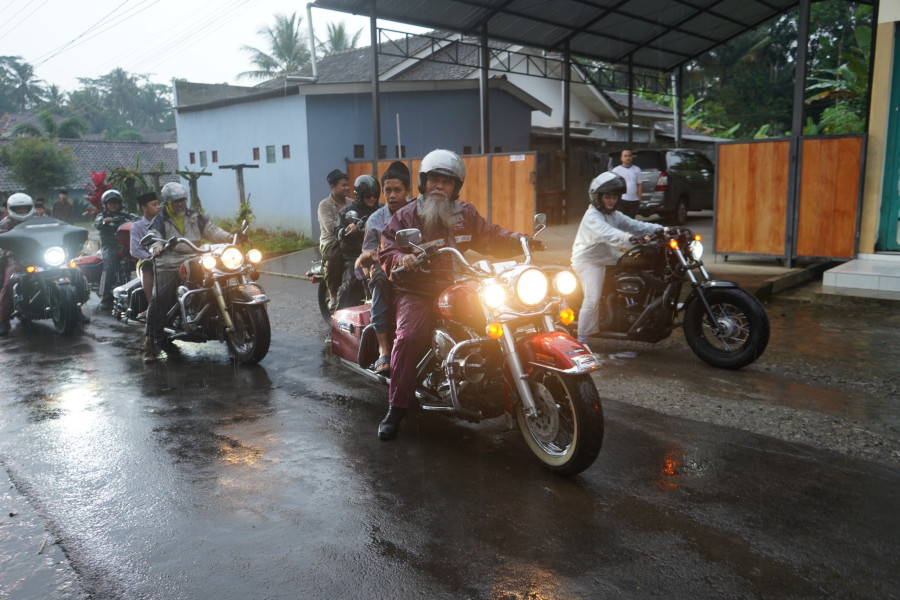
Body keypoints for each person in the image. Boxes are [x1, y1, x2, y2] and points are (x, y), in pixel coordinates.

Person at [376, 149, 544, 441]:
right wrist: (402, 260)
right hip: (417, 289)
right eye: (434, 180)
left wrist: (521, 240)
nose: (440, 186)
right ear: (423, 182)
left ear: (456, 187)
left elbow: (491, 235)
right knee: (409, 335)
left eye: (447, 182)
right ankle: (397, 406)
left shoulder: (466, 214)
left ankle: (498, 389)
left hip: (458, 283)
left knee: (498, 319)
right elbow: (387, 247)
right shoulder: (407, 215)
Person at [142, 182, 233, 363]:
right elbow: (153, 236)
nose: (181, 204)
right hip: (169, 259)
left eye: (183, 200)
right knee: (160, 298)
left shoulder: (194, 216)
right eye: (176, 201)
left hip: (194, 256)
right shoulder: (160, 219)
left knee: (221, 275)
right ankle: (150, 341)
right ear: (168, 202)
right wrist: (157, 246)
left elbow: (213, 231)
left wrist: (231, 237)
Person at [570, 172, 663, 344]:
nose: (612, 200)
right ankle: (582, 340)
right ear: (598, 197)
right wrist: (631, 238)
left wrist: (663, 229)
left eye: (614, 196)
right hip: (590, 262)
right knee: (592, 299)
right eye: (608, 196)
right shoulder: (592, 217)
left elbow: (636, 225)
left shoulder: (614, 215)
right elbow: (609, 234)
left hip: (610, 257)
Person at [354, 161, 411, 373]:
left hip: (415, 268)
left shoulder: (417, 213)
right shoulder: (375, 220)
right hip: (383, 269)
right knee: (379, 280)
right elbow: (365, 254)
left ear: (407, 191)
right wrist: (369, 257)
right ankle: (384, 350)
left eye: (397, 190)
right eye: (388, 191)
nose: (393, 195)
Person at [334, 174, 383, 310]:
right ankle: (339, 317)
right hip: (354, 254)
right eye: (368, 196)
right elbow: (337, 231)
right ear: (359, 195)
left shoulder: (381, 209)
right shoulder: (348, 211)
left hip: (376, 252)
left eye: (375, 195)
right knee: (350, 284)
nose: (372, 198)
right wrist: (347, 229)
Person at [0, 193, 37, 336]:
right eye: (18, 209)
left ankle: (74, 310)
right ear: (11, 209)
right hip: (16, 257)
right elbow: (2, 236)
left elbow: (51, 227)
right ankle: (2, 318)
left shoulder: (36, 220)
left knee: (64, 272)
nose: (22, 211)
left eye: (24, 208)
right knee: (10, 281)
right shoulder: (6, 223)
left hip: (38, 256)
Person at [94, 189, 138, 310]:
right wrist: (104, 221)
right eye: (110, 203)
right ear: (106, 205)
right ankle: (104, 295)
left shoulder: (126, 215)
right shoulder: (102, 216)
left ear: (120, 203)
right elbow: (97, 224)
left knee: (143, 262)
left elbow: (138, 219)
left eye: (115, 202)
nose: (113, 205)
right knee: (109, 267)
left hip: (126, 245)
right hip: (110, 246)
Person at [317, 169, 351, 309]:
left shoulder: (352, 203)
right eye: (343, 185)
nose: (347, 188)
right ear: (332, 186)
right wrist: (347, 228)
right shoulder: (324, 205)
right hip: (332, 241)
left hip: (351, 239)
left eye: (348, 185)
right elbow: (330, 227)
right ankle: (332, 295)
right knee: (334, 257)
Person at [129, 191, 162, 315]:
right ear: (144, 208)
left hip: (166, 258)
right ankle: (151, 306)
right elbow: (135, 249)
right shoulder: (137, 226)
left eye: (158, 204)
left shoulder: (164, 222)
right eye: (154, 204)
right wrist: (151, 256)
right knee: (147, 266)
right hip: (147, 260)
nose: (158, 207)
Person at [612, 149, 642, 218]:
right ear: (621, 158)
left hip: (634, 201)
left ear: (632, 157)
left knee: (631, 221)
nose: (627, 158)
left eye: (629, 156)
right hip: (621, 200)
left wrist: (639, 199)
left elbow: (639, 185)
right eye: (625, 156)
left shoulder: (637, 169)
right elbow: (613, 186)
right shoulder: (616, 170)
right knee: (621, 220)